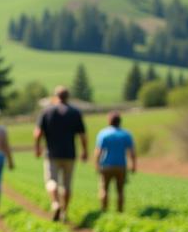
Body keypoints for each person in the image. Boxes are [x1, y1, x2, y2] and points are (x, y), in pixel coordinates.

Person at [34, 85, 87, 222]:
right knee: (67, 184)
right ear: (67, 97)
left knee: (51, 181)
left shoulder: (46, 112)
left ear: (55, 96)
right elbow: (82, 134)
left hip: (52, 154)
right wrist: (85, 151)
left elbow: (38, 133)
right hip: (70, 153)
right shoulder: (75, 112)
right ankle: (64, 212)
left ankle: (55, 203)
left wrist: (37, 148)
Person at [95, 111, 137, 212]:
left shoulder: (103, 134)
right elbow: (131, 152)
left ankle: (104, 210)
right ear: (119, 122)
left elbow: (98, 152)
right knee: (120, 190)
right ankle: (120, 211)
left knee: (104, 189)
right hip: (121, 165)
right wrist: (133, 165)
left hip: (106, 165)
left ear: (109, 121)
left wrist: (97, 164)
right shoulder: (126, 134)